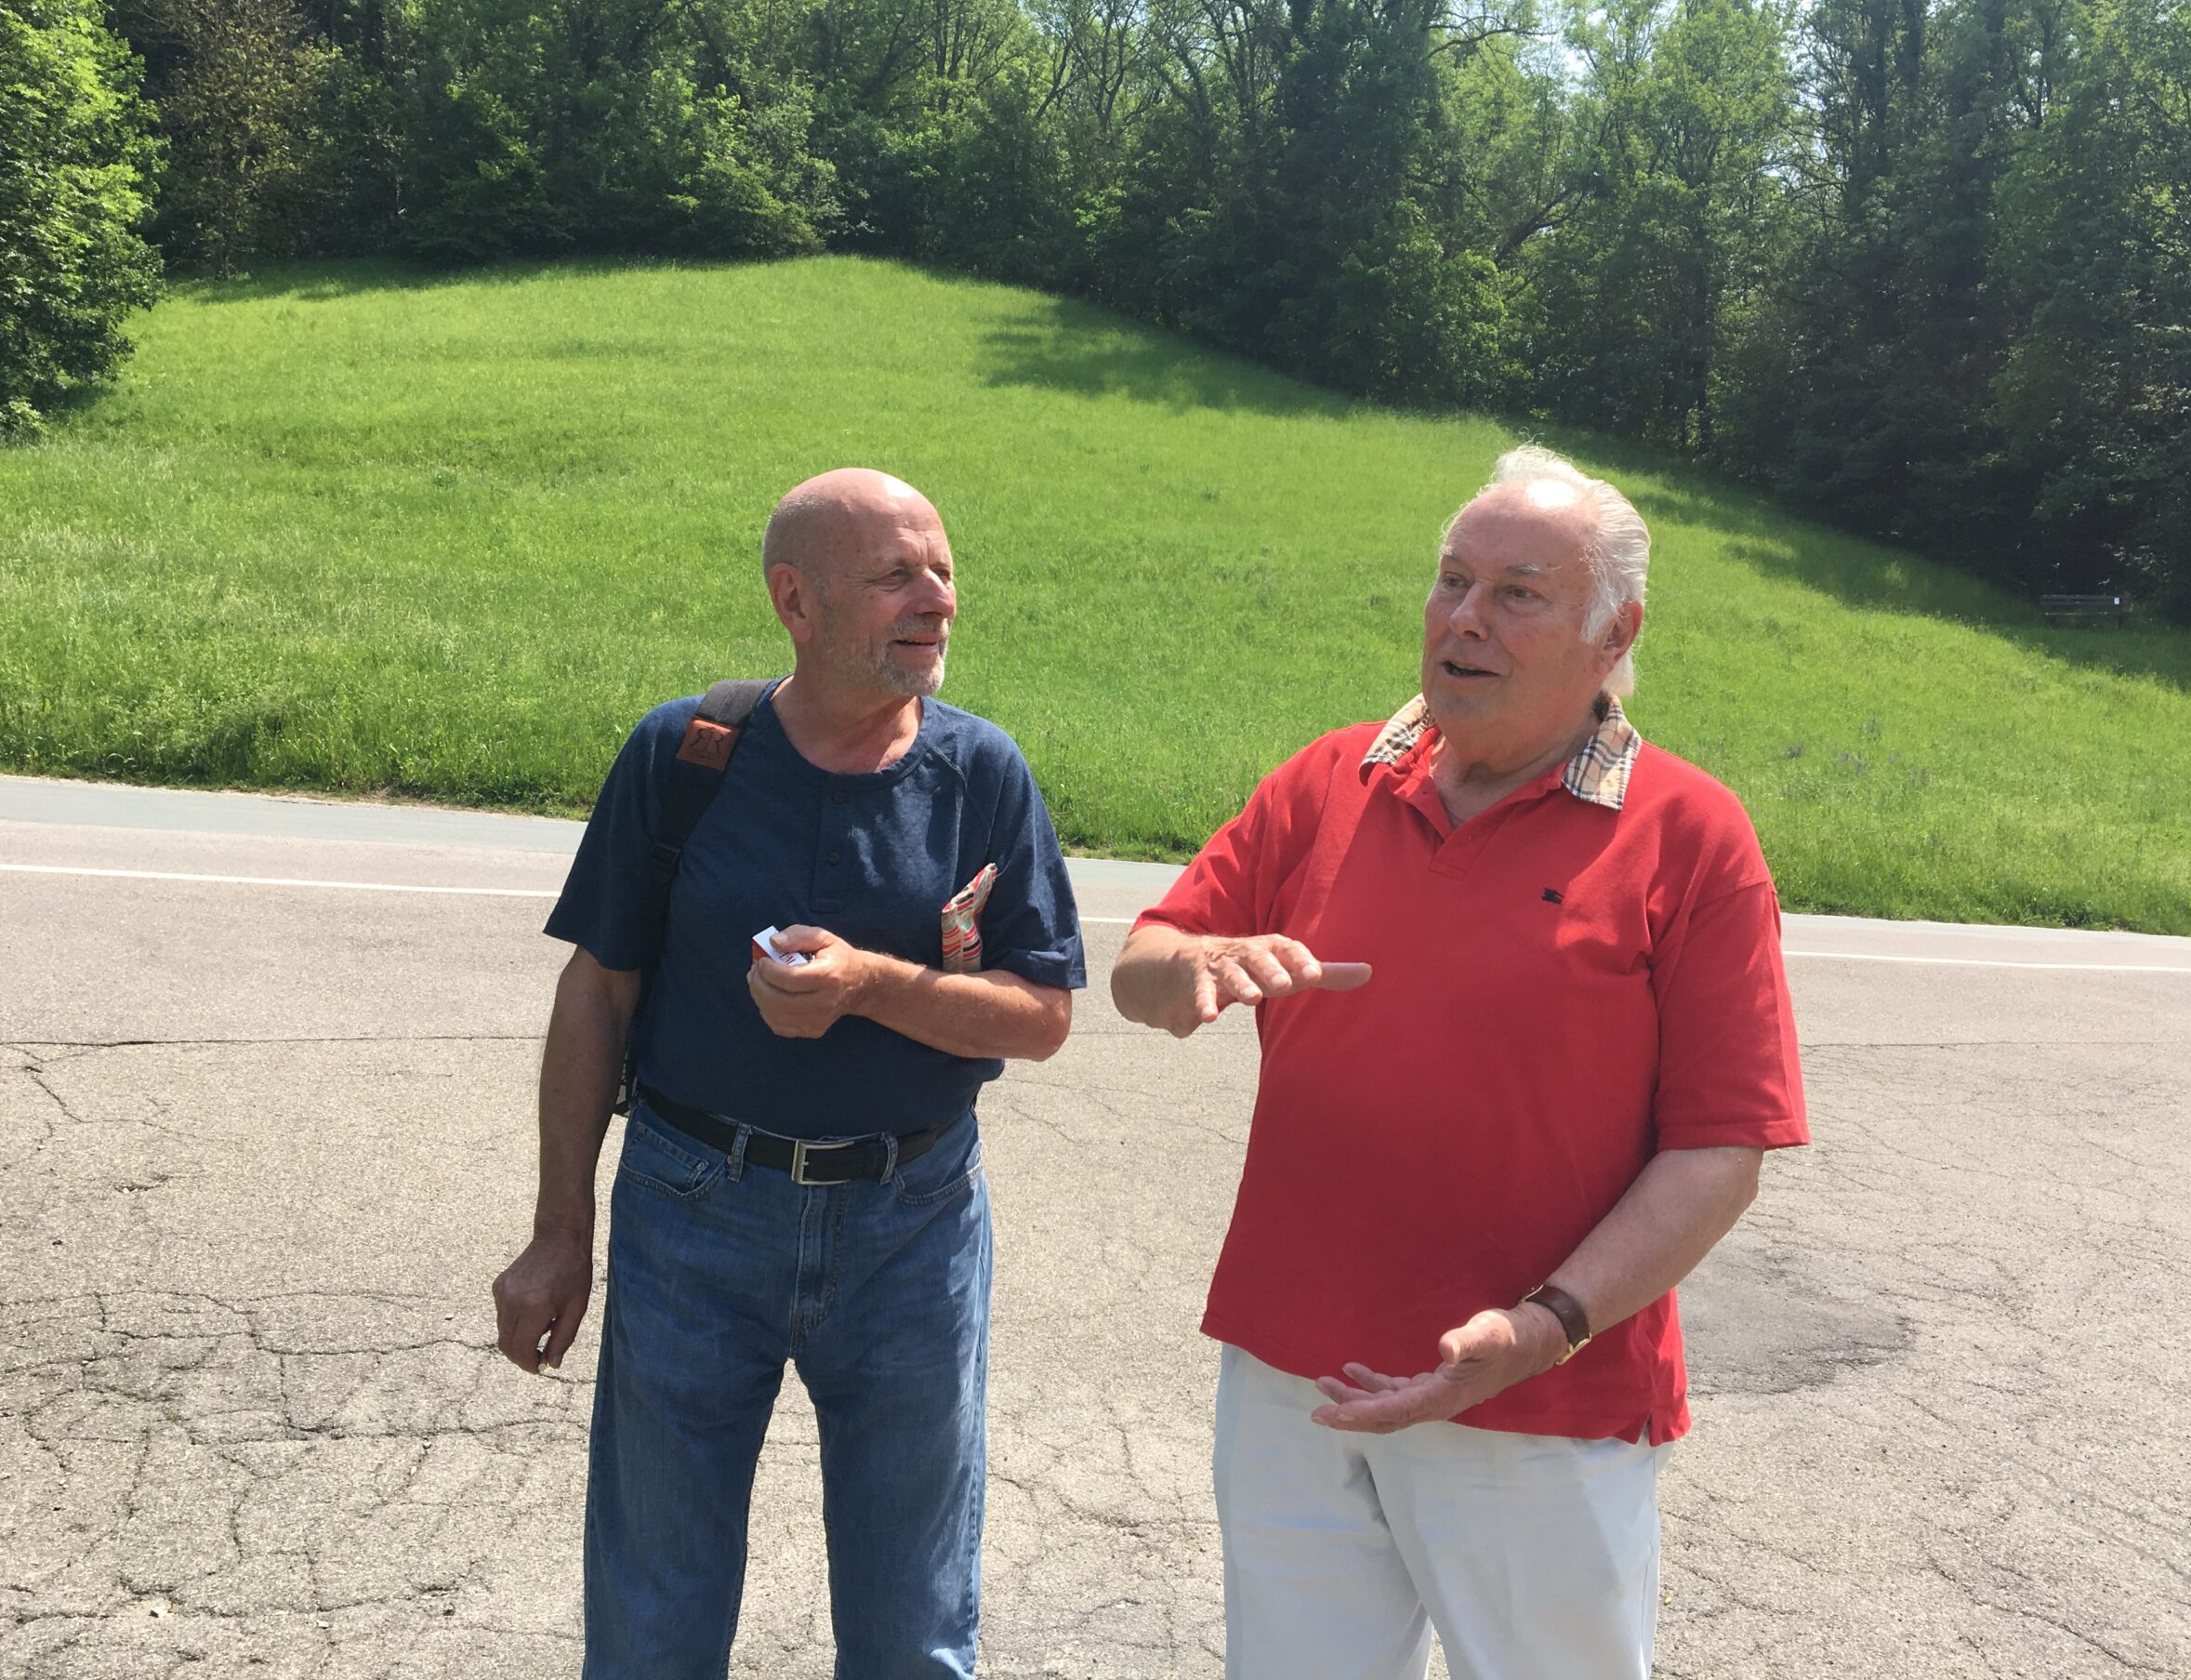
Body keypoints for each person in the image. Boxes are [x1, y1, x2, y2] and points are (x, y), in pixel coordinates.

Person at [1110, 445, 1808, 1680]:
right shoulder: (1332, 778)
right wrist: (1185, 971)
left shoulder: (1689, 836)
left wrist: (1547, 1326)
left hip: (1537, 1401)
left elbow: (1723, 1150)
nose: (1463, 618)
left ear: (1614, 632)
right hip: (1291, 1372)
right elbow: (1147, 956)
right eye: (1450, 580)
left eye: (1517, 592)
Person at [492, 468, 1085, 1680]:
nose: (936, 601)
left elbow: (1039, 1016)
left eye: (943, 570)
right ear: (795, 602)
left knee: (913, 1622)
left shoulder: (983, 778)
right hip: (692, 1211)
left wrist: (872, 984)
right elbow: (594, 995)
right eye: (894, 577)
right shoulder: (687, 752)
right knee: (655, 1610)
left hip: (914, 1227)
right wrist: (561, 1233)